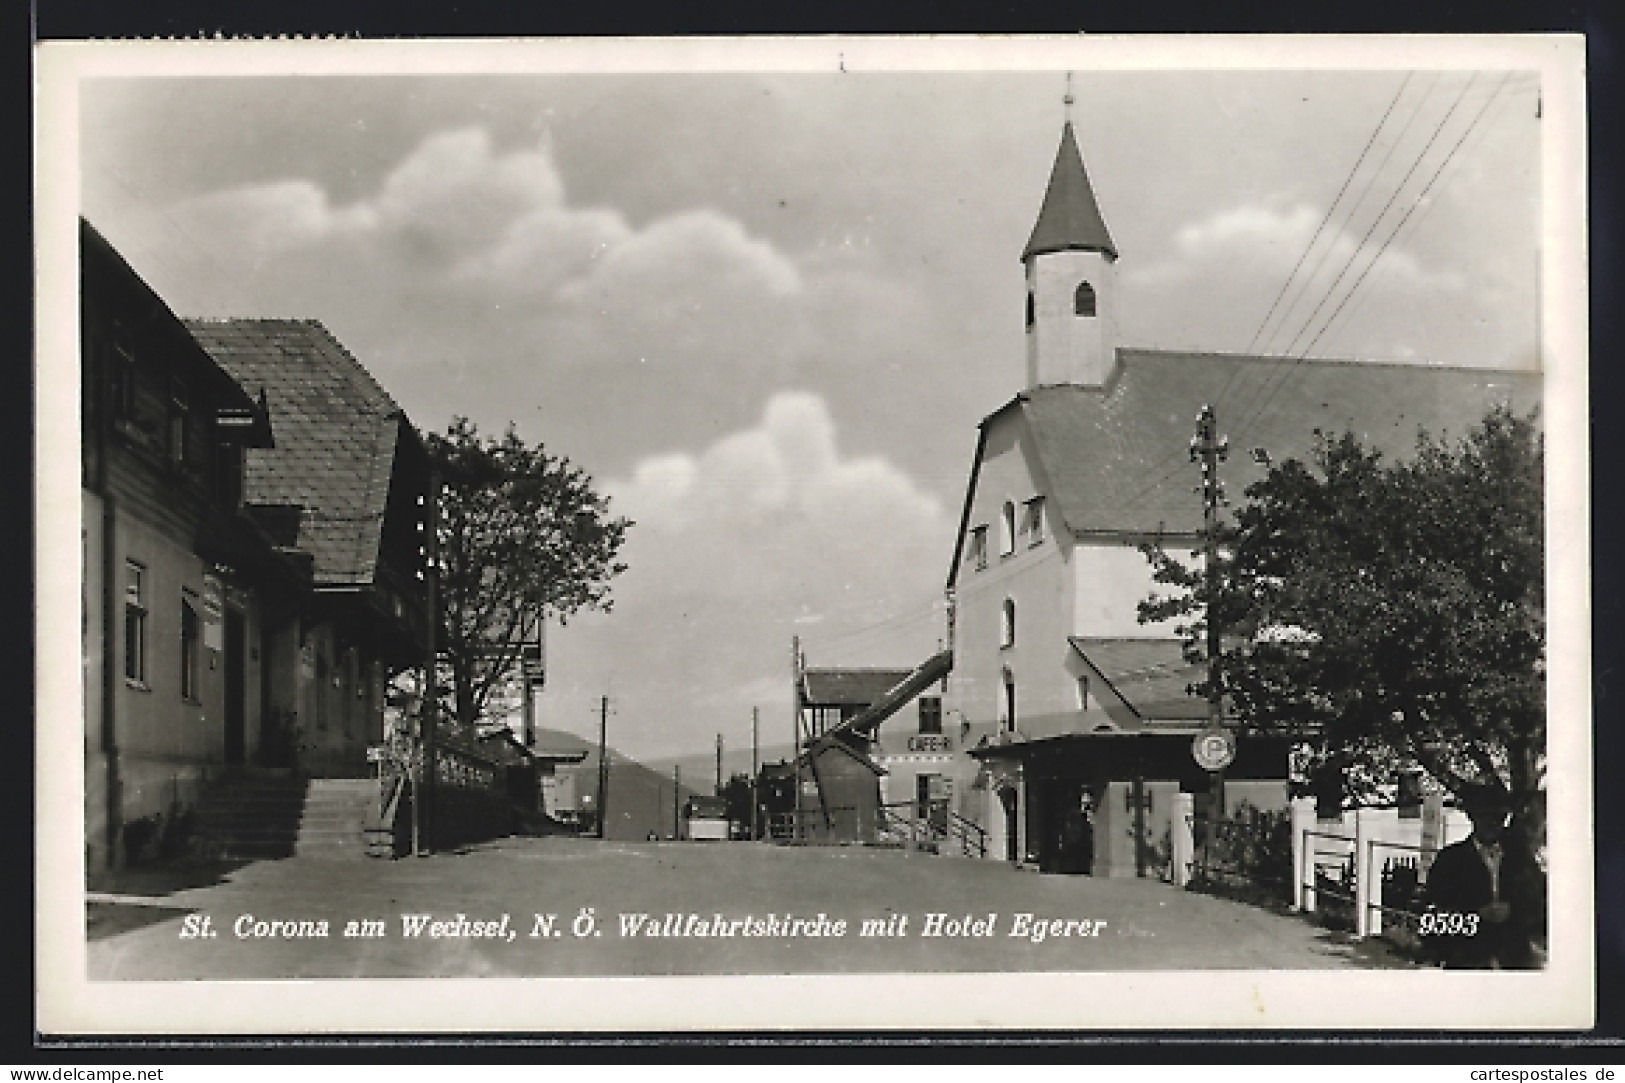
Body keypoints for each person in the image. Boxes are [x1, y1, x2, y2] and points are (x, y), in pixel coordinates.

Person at [1421, 786, 1546, 969]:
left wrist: (1513, 911)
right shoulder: (1450, 861)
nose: (1492, 823)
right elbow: (1431, 918)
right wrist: (1476, 915)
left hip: (1515, 957)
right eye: (1485, 817)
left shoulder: (1520, 858)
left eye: (1499, 818)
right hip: (1467, 956)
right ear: (1472, 818)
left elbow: (1540, 907)